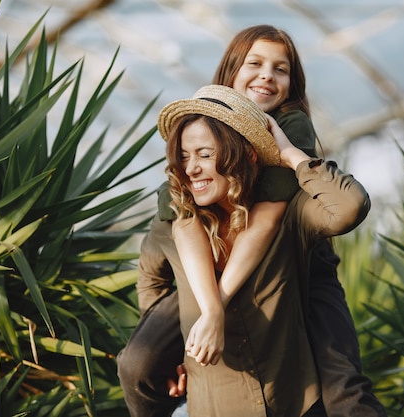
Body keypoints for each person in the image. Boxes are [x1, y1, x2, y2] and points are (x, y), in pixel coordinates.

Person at [153, 25, 386, 416]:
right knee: (140, 365)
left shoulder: (288, 124)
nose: (267, 75)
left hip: (297, 260)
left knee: (342, 385)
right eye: (255, 63)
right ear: (230, 73)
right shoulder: (200, 130)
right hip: (212, 270)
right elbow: (177, 214)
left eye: (281, 69)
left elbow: (268, 216)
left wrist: (288, 151)